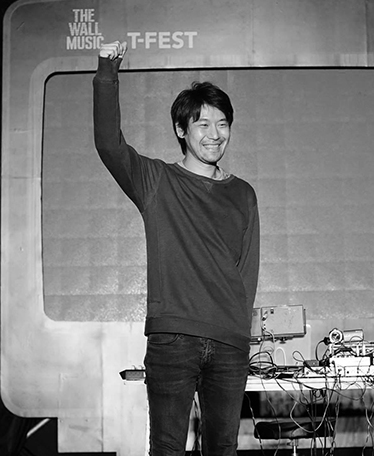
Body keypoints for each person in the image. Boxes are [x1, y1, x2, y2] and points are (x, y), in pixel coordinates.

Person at [93, 41, 260, 456]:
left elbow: (246, 269)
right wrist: (107, 72)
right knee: (167, 449)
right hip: (173, 340)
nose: (215, 134)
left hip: (228, 344)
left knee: (223, 448)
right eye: (203, 124)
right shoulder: (156, 181)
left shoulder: (243, 193)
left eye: (222, 123)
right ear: (181, 130)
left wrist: (239, 334)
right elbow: (109, 145)